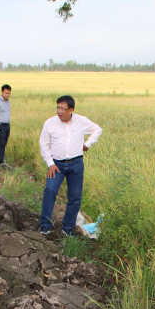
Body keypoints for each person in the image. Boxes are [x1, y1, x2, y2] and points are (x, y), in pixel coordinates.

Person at [38, 95, 102, 236]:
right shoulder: (50, 123)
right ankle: (45, 225)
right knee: (50, 191)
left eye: (63, 109)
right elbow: (44, 144)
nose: (59, 111)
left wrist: (87, 144)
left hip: (76, 164)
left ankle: (67, 228)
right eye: (58, 108)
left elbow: (97, 129)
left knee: (75, 196)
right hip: (56, 165)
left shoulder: (81, 121)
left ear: (71, 109)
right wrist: (50, 164)